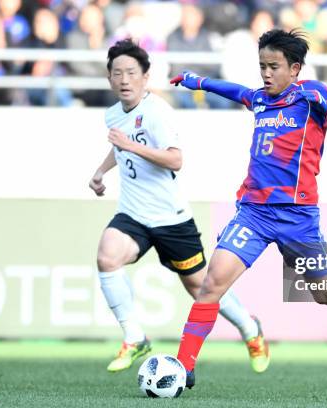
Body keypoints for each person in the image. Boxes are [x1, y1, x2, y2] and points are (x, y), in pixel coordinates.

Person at [170, 28, 327, 389]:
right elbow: (236, 91)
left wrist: (323, 104)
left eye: (273, 66)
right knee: (211, 284)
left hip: (298, 217)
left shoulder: (310, 93)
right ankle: (183, 365)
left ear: (295, 68)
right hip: (254, 212)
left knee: (325, 295)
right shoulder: (260, 99)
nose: (266, 73)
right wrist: (199, 82)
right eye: (262, 66)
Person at [90, 39, 266, 373]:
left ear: (145, 77)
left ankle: (249, 328)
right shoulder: (113, 113)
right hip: (133, 214)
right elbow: (121, 147)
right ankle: (135, 337)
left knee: (201, 288)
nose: (124, 79)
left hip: (170, 220)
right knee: (107, 256)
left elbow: (175, 159)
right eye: (117, 73)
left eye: (131, 72)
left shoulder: (157, 113)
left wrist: (129, 145)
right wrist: (100, 172)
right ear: (109, 79)